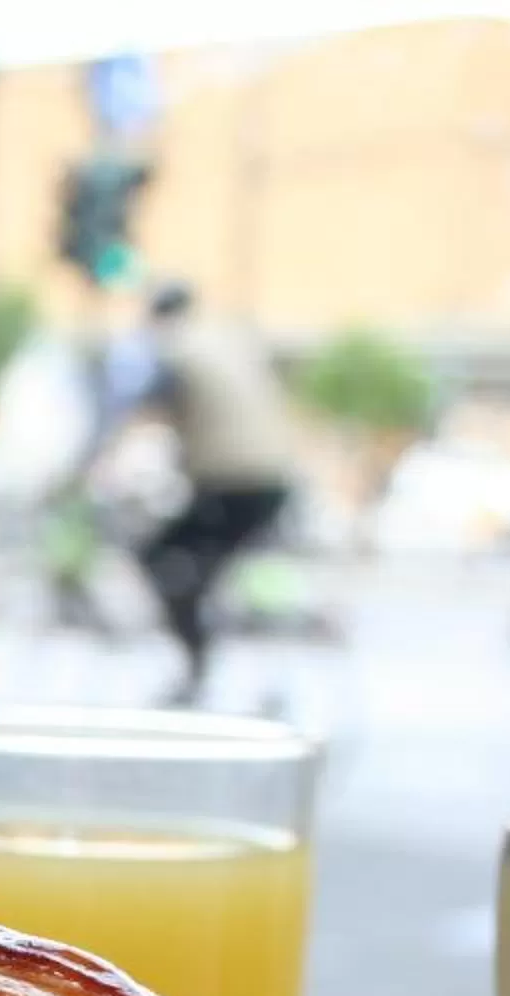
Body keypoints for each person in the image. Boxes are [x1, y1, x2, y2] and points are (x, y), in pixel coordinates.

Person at [121, 281, 299, 705]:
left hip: (231, 482)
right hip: (272, 480)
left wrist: (93, 460)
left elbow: (142, 410)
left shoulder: (174, 349)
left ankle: (197, 659)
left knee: (161, 560)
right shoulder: (227, 338)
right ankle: (207, 625)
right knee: (199, 563)